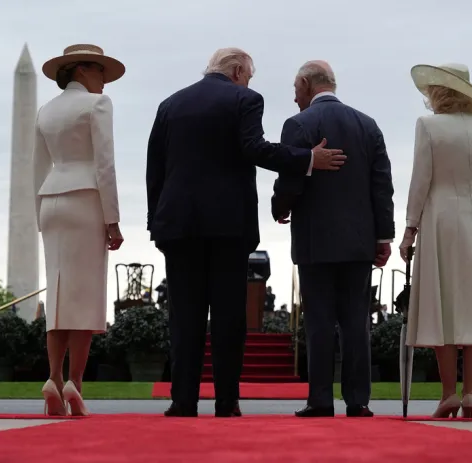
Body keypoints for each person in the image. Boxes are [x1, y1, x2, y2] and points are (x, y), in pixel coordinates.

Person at [146, 48, 347, 418]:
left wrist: (155, 221)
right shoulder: (245, 99)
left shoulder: (169, 104)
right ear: (238, 71)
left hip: (177, 225)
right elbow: (253, 148)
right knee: (228, 317)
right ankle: (226, 401)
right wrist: (307, 158)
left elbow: (155, 167)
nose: (250, 82)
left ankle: (183, 400)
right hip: (228, 225)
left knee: (184, 317)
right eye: (249, 76)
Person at [271, 61, 395, 417]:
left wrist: (280, 207)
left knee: (319, 321)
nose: (295, 98)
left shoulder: (298, 125)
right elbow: (381, 186)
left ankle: (320, 399)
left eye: (296, 89)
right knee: (357, 321)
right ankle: (358, 401)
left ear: (307, 84)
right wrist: (382, 236)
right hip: (359, 242)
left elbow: (290, 179)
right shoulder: (368, 125)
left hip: (315, 239)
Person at [399, 63, 472, 418]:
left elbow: (421, 180)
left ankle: (449, 392)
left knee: (444, 304)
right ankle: (470, 393)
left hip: (441, 221)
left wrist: (409, 228)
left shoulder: (428, 126)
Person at [34, 44, 125, 416]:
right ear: (82, 71)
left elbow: (37, 167)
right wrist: (113, 218)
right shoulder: (97, 105)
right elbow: (105, 164)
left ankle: (52, 379)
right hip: (86, 200)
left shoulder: (45, 111)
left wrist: (36, 210)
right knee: (86, 296)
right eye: (100, 71)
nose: (104, 79)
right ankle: (75, 383)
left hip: (51, 199)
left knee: (56, 295)